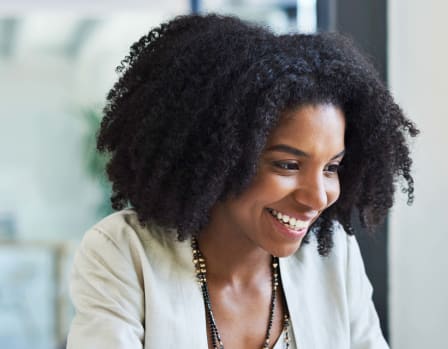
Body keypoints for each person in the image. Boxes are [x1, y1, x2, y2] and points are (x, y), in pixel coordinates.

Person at [67, 13, 418, 349]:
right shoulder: (124, 253)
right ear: (220, 155)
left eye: (331, 168)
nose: (316, 198)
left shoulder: (333, 257)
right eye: (287, 165)